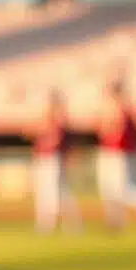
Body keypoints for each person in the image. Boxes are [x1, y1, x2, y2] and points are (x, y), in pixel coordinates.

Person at [96, 77, 136, 229]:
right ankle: (115, 222)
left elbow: (112, 132)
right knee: (109, 190)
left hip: (119, 154)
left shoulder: (122, 110)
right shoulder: (113, 109)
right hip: (110, 153)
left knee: (123, 190)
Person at [30, 90, 79, 234]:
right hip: (43, 159)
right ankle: (48, 222)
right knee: (46, 192)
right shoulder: (47, 119)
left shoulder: (59, 120)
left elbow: (56, 141)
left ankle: (53, 223)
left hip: (53, 159)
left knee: (55, 192)